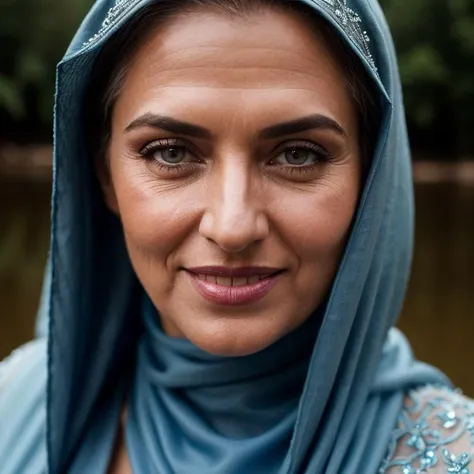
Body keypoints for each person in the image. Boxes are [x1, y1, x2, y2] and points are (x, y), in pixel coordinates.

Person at [1, 0, 473, 472]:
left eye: (297, 156)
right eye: (169, 152)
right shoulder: (13, 403)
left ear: (370, 182)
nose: (232, 227)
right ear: (104, 175)